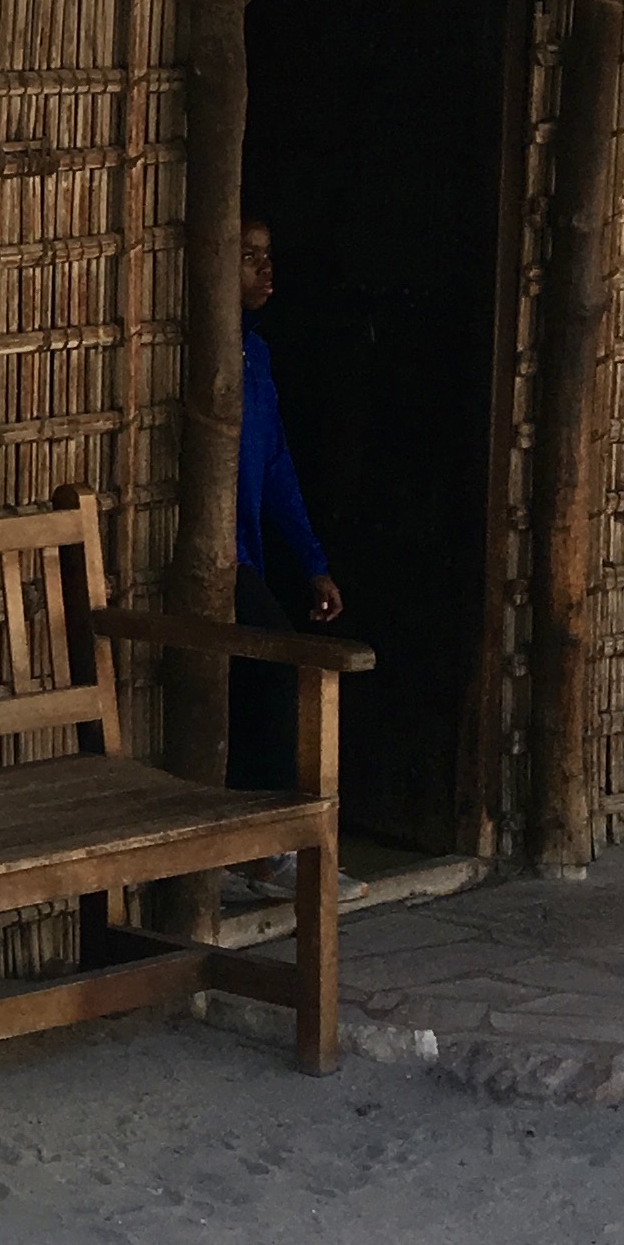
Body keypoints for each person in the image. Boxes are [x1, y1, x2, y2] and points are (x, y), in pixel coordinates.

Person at [228, 218, 361, 904]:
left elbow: (275, 467)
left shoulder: (256, 355)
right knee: (275, 674)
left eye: (268, 255)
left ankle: (256, 853)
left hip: (246, 556)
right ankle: (264, 852)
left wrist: (313, 561)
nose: (265, 269)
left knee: (261, 683)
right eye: (247, 256)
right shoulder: (202, 352)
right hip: (216, 562)